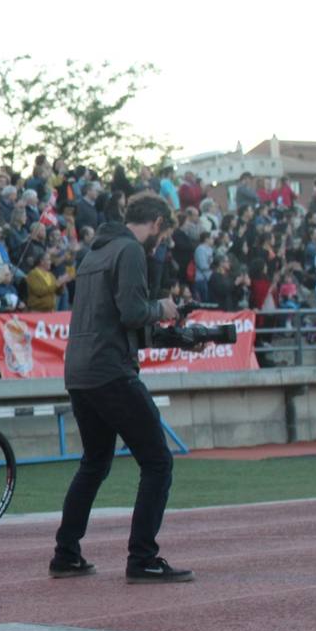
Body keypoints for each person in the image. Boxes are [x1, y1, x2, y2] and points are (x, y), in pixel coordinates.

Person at [50, 193, 192, 584]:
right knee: (157, 461)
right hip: (110, 370)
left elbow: (113, 317)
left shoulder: (94, 252)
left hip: (79, 370)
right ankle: (142, 557)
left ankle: (66, 553)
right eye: (163, 237)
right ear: (158, 223)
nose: (160, 245)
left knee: (94, 463)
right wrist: (162, 309)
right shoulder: (130, 251)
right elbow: (131, 313)